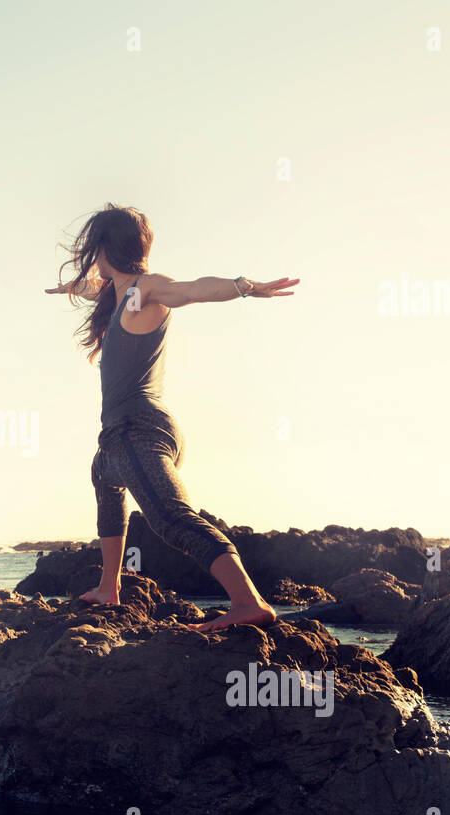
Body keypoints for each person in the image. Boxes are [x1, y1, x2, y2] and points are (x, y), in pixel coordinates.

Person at [46, 203, 298, 631]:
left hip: (138, 430)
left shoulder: (147, 289)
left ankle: (248, 602)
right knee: (104, 478)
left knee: (171, 518)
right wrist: (74, 287)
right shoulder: (119, 293)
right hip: (123, 434)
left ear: (106, 247)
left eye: (93, 247)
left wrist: (245, 286)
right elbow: (95, 287)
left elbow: (195, 289)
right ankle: (110, 587)